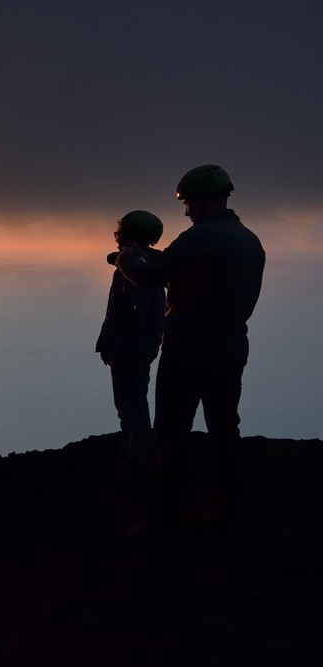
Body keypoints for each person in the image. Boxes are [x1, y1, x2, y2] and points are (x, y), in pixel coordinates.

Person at [114, 164, 265, 525]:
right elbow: (195, 273)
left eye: (187, 203)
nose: (186, 211)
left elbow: (147, 276)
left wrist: (125, 258)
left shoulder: (198, 238)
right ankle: (228, 509)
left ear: (200, 199)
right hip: (230, 349)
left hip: (187, 351)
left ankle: (169, 514)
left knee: (171, 433)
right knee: (225, 429)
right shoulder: (249, 240)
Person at [96, 210, 166, 470]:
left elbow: (130, 316)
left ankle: (137, 463)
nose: (116, 239)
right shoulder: (147, 264)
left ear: (132, 237)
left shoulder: (135, 266)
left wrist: (117, 346)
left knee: (131, 408)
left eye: (120, 234)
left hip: (130, 349)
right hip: (134, 348)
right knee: (128, 406)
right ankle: (132, 455)